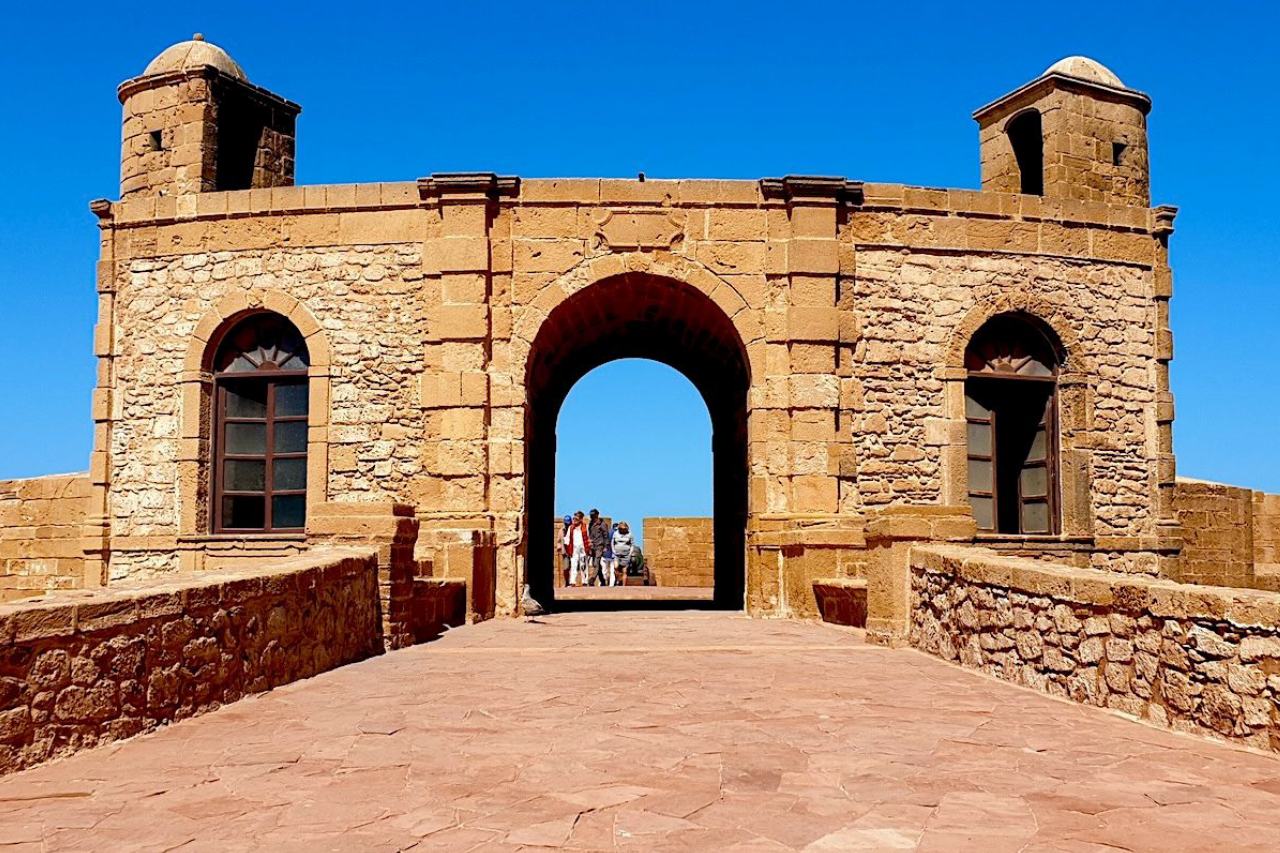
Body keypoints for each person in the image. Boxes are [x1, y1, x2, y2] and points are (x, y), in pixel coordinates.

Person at [587, 509, 609, 587]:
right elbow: (590, 535)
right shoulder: (590, 524)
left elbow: (606, 536)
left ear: (597, 515)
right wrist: (589, 545)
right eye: (590, 515)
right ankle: (602, 580)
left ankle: (592, 579)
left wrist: (606, 546)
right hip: (593, 546)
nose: (591, 516)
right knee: (596, 564)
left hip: (600, 546)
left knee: (596, 563)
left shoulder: (602, 524)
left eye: (593, 515)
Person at [568, 511, 590, 586]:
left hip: (583, 548)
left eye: (576, 519)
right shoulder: (571, 528)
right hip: (574, 548)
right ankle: (572, 581)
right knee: (573, 565)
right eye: (574, 519)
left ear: (581, 519)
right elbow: (567, 538)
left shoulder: (585, 527)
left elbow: (588, 537)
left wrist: (588, 547)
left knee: (583, 565)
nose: (574, 520)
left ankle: (584, 581)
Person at [612, 521, 634, 587]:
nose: (623, 530)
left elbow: (632, 544)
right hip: (617, 554)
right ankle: (618, 579)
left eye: (624, 529)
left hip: (626, 555)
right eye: (621, 529)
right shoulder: (616, 534)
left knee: (624, 571)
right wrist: (613, 551)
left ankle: (624, 586)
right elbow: (612, 543)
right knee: (616, 567)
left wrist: (630, 553)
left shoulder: (630, 535)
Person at [559, 515, 573, 587]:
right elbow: (559, 541)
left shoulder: (574, 530)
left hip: (573, 552)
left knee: (574, 568)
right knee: (566, 568)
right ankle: (567, 581)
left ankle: (572, 582)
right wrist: (559, 547)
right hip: (565, 553)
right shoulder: (561, 531)